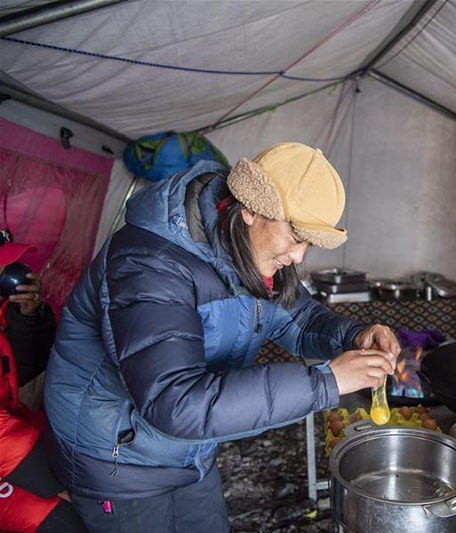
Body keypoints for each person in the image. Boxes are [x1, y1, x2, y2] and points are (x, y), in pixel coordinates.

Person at [44, 142, 400, 532]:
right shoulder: (149, 262)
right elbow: (174, 401)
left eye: (309, 243)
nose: (300, 257)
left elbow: (297, 318)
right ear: (249, 208)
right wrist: (326, 382)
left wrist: (354, 335)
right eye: (296, 235)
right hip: (117, 458)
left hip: (191, 447)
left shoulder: (251, 253)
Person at [0, 236, 86, 532]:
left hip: (9, 445)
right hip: (6, 451)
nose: (11, 272)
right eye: (2, 268)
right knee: (66, 520)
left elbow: (24, 371)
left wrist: (29, 315)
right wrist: (54, 483)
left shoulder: (3, 315)